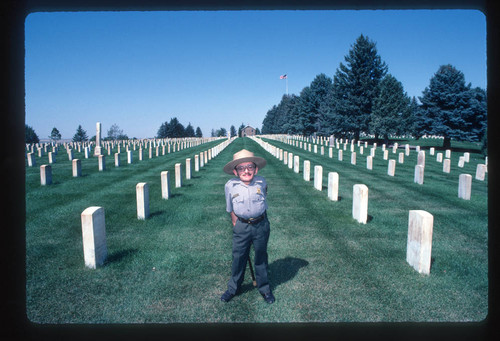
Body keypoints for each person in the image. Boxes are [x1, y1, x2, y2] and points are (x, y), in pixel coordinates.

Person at [220, 149, 275, 304]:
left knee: (261, 257)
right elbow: (230, 208)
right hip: (242, 227)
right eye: (241, 168)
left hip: (261, 225)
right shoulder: (230, 186)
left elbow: (264, 199)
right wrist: (236, 224)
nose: (246, 171)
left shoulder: (262, 182)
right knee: (238, 258)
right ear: (235, 171)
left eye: (250, 167)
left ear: (256, 169)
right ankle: (233, 288)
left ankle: (264, 288)